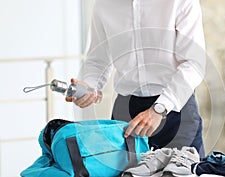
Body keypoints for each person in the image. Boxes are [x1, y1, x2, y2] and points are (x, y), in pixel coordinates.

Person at [70, 0, 206, 158]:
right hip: (126, 113)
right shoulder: (104, 5)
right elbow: (97, 60)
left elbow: (194, 63)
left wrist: (159, 108)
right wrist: (89, 88)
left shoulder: (180, 2)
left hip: (175, 109)